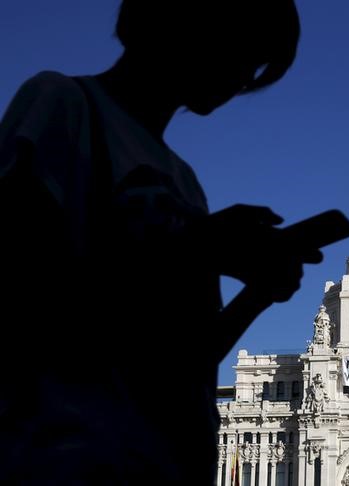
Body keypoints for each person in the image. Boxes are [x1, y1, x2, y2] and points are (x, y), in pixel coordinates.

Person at [0, 1, 330, 483]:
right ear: (184, 24)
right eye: (244, 53)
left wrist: (259, 294)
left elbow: (182, 363)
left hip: (161, 458)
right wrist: (196, 246)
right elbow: (21, 280)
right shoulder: (63, 105)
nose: (244, 79)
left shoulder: (184, 181)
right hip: (64, 453)